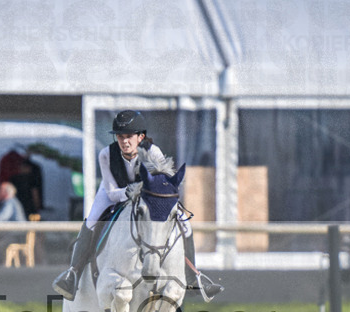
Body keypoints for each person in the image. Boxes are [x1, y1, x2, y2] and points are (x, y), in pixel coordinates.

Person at [52, 110, 222, 302]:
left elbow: (161, 183)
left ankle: (193, 275)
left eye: (129, 137)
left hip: (146, 197)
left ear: (140, 136)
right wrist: (134, 191)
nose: (124, 141)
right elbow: (111, 192)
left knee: (184, 222)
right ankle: (73, 274)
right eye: (120, 137)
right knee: (91, 221)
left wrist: (149, 194)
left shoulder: (153, 152)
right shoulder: (106, 154)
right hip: (114, 193)